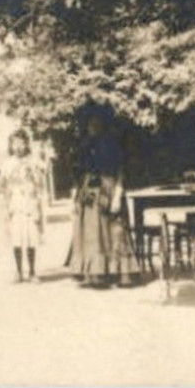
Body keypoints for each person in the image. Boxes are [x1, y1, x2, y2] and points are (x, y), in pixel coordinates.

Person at [66, 112, 140, 286]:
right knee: (93, 234)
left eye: (97, 124)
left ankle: (120, 272)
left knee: (115, 232)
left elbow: (121, 173)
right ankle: (96, 273)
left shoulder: (113, 147)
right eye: (91, 124)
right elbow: (78, 175)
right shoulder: (84, 147)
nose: (94, 127)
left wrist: (117, 195)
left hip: (109, 191)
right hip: (89, 195)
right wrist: (75, 199)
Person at [0, 129, 45, 283]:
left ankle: (32, 271)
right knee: (17, 238)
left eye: (21, 143)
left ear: (26, 144)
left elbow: (40, 183)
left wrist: (34, 175)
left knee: (31, 238)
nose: (18, 147)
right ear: (11, 145)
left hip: (30, 202)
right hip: (15, 203)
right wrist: (4, 200)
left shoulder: (33, 161)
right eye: (15, 143)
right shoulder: (7, 163)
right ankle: (18, 271)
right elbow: (1, 185)